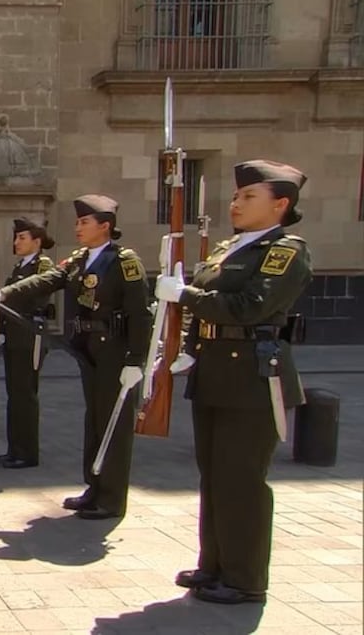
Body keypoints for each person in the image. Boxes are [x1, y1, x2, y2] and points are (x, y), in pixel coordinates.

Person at [154, 159, 313, 605]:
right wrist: (186, 344)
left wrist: (185, 294)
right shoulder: (232, 247)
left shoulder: (285, 251)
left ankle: (245, 580)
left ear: (280, 204)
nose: (236, 203)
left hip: (253, 376)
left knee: (241, 478)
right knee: (215, 475)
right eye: (237, 196)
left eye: (248, 197)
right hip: (215, 371)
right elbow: (208, 300)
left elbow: (248, 306)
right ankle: (214, 565)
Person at [0, 195, 151, 519]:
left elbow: (140, 315)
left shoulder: (124, 261)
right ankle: (94, 487)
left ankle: (111, 499)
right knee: (94, 420)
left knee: (114, 423)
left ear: (105, 226)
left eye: (84, 222)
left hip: (115, 349)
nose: (78, 227)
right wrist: (2, 294)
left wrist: (135, 360)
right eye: (78, 222)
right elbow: (47, 280)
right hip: (89, 348)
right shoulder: (80, 260)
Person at [0, 217, 56, 469]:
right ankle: (14, 448)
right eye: (16, 237)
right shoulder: (21, 267)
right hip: (15, 336)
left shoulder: (43, 266)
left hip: (30, 337)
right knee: (14, 395)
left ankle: (27, 453)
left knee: (26, 396)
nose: (16, 242)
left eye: (22, 237)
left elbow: (34, 296)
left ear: (37, 241)